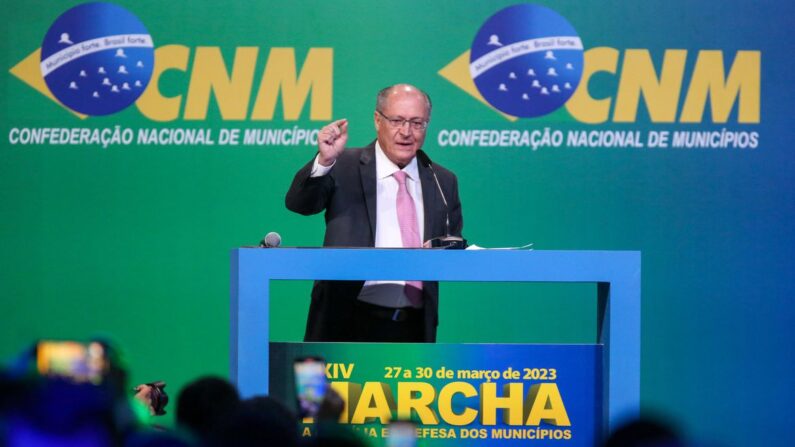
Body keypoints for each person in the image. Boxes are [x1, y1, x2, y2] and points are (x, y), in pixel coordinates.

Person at [286, 83, 463, 343]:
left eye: (417, 123)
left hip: (413, 327)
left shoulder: (442, 179)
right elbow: (299, 203)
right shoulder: (342, 164)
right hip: (343, 321)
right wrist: (324, 161)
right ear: (377, 120)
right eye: (397, 121)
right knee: (319, 387)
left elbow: (452, 245)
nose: (406, 132)